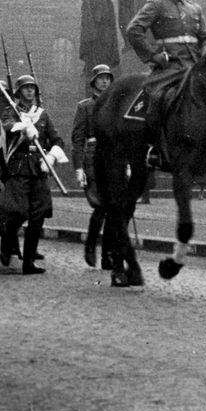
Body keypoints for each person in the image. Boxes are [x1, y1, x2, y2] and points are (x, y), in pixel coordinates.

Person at [126, 0, 206, 168]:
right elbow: (133, 30)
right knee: (158, 99)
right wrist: (154, 55)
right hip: (170, 67)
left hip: (194, 67)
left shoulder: (194, 8)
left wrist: (204, 56)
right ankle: (154, 147)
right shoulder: (156, 3)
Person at [0, 74, 67, 274]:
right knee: (19, 211)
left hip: (38, 168)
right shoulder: (11, 111)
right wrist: (23, 127)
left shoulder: (42, 114)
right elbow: (5, 126)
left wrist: (52, 156)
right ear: (19, 92)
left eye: (32, 88)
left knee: (39, 214)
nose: (29, 91)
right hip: (19, 167)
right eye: (25, 88)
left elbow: (57, 140)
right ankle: (7, 240)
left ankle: (28, 261)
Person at [72, 63, 114, 269]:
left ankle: (108, 257)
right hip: (93, 158)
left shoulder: (118, 105)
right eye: (101, 78)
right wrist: (78, 167)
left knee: (113, 210)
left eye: (108, 78)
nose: (105, 81)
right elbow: (77, 139)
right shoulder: (85, 106)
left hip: (114, 160)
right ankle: (90, 244)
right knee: (100, 206)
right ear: (94, 82)